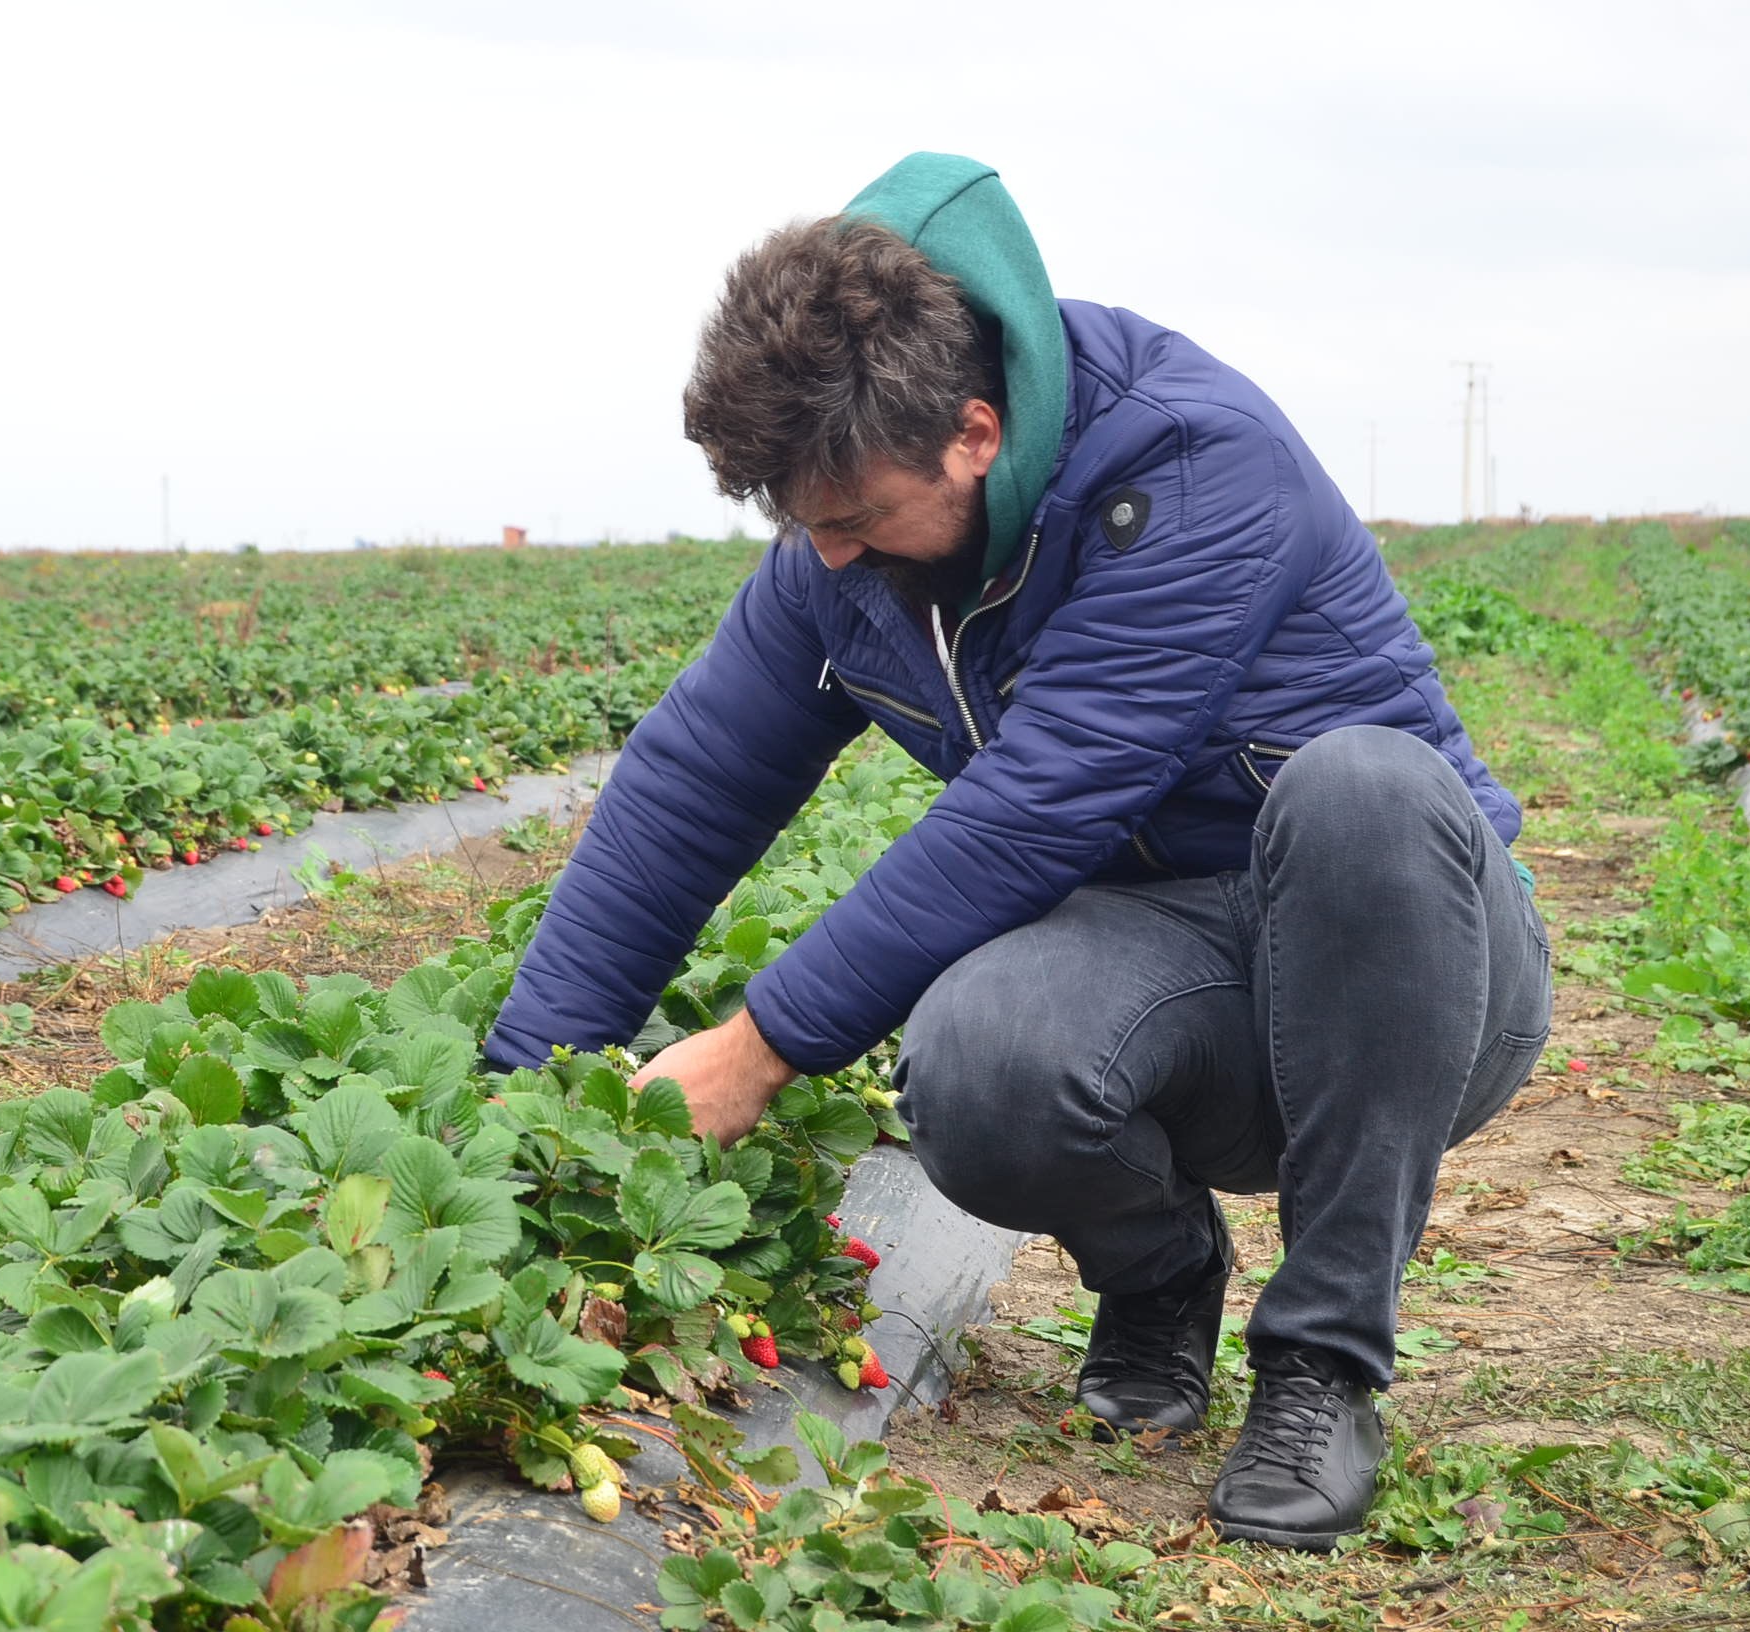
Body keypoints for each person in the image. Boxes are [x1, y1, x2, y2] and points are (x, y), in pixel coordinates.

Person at [479, 153, 1552, 1551]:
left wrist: (753, 1054)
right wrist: (526, 1090)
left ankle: (1323, 1367)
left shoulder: (1193, 464)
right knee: (975, 1058)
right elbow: (690, 788)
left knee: (1364, 788)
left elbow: (1034, 809)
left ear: (974, 433)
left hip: (1417, 973)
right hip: (1171, 965)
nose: (831, 557)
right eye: (806, 525)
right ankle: (1160, 1272)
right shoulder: (848, 564)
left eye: (855, 518)